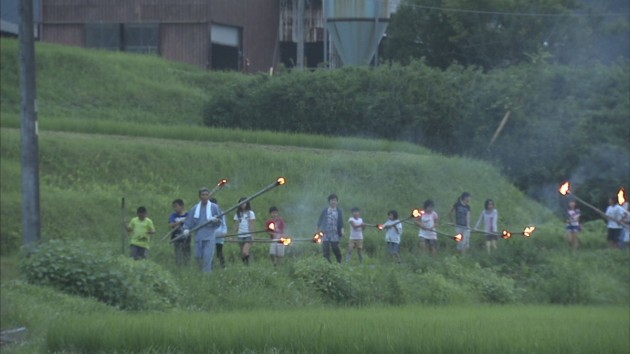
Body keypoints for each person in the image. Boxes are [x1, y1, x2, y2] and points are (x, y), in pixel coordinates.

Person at [182, 187, 222, 273]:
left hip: (209, 236)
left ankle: (207, 276)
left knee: (207, 257)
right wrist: (186, 229)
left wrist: (216, 220)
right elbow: (189, 221)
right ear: (200, 196)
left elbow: (219, 221)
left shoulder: (214, 207)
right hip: (198, 237)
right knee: (198, 256)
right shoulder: (195, 208)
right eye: (203, 195)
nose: (205, 197)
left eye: (206, 195)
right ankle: (201, 273)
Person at [316, 193, 345, 263]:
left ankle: (339, 262)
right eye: (332, 200)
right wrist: (317, 230)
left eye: (335, 200)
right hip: (325, 233)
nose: (333, 202)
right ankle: (328, 264)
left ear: (337, 202)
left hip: (335, 233)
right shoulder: (325, 210)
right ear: (329, 201)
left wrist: (342, 231)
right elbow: (320, 220)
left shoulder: (339, 211)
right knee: (325, 250)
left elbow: (341, 222)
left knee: (335, 248)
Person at [234, 197, 256, 265]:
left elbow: (252, 225)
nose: (243, 204)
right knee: (242, 253)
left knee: (245, 252)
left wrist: (252, 235)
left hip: (248, 235)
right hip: (240, 235)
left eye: (244, 203)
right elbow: (236, 225)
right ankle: (246, 265)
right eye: (241, 203)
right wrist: (232, 235)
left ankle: (247, 264)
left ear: (247, 203)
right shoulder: (237, 214)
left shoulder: (251, 213)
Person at [169, 199, 190, 266]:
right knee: (178, 254)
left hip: (186, 238)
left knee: (186, 254)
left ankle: (186, 266)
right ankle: (179, 266)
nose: (175, 208)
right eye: (173, 207)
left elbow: (192, 224)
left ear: (182, 206)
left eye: (176, 206)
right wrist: (179, 222)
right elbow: (171, 224)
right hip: (176, 237)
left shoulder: (188, 215)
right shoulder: (173, 215)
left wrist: (186, 221)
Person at [210, 198, 227, 269]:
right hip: (210, 236)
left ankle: (223, 267)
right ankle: (210, 267)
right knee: (210, 252)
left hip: (219, 236)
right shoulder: (208, 213)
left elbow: (224, 224)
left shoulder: (221, 212)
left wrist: (224, 232)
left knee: (219, 252)